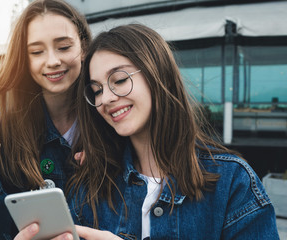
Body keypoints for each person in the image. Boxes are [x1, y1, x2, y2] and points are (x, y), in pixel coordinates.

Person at [16, 24, 279, 239]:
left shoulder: (232, 182)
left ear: (158, 75)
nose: (105, 98)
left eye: (119, 80)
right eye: (96, 90)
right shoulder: (91, 185)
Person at [0, 0, 91, 239]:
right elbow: (0, 232)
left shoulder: (110, 119)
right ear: (24, 59)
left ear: (84, 48)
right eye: (37, 51)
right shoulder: (2, 130)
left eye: (64, 47)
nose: (52, 61)